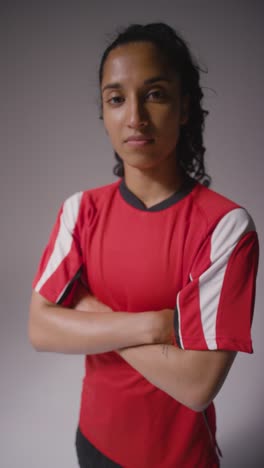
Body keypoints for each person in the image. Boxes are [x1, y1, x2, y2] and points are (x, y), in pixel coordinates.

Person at [28, 22, 259, 468]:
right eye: (116, 98)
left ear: (185, 106)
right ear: (103, 110)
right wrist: (155, 325)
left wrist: (90, 314)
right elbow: (40, 330)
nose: (134, 117)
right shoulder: (81, 210)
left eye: (154, 94)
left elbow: (196, 385)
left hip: (179, 459)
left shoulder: (225, 228)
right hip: (93, 443)